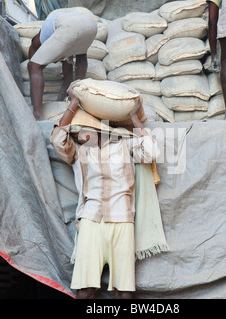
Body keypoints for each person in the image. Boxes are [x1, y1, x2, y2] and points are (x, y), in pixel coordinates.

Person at [50, 85, 160, 299]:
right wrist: (73, 104)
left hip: (121, 218)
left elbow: (152, 151)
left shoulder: (125, 146)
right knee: (84, 292)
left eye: (81, 129)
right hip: (91, 218)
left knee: (124, 292)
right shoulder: (80, 152)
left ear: (96, 129)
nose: (77, 134)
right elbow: (56, 139)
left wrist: (134, 118)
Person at [28, 12, 97, 120]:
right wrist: (59, 101)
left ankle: (37, 115)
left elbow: (34, 61)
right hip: (91, 24)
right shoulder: (59, 37)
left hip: (69, 26)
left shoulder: (39, 39)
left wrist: (35, 66)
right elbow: (67, 79)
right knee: (80, 57)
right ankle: (80, 101)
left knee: (33, 66)